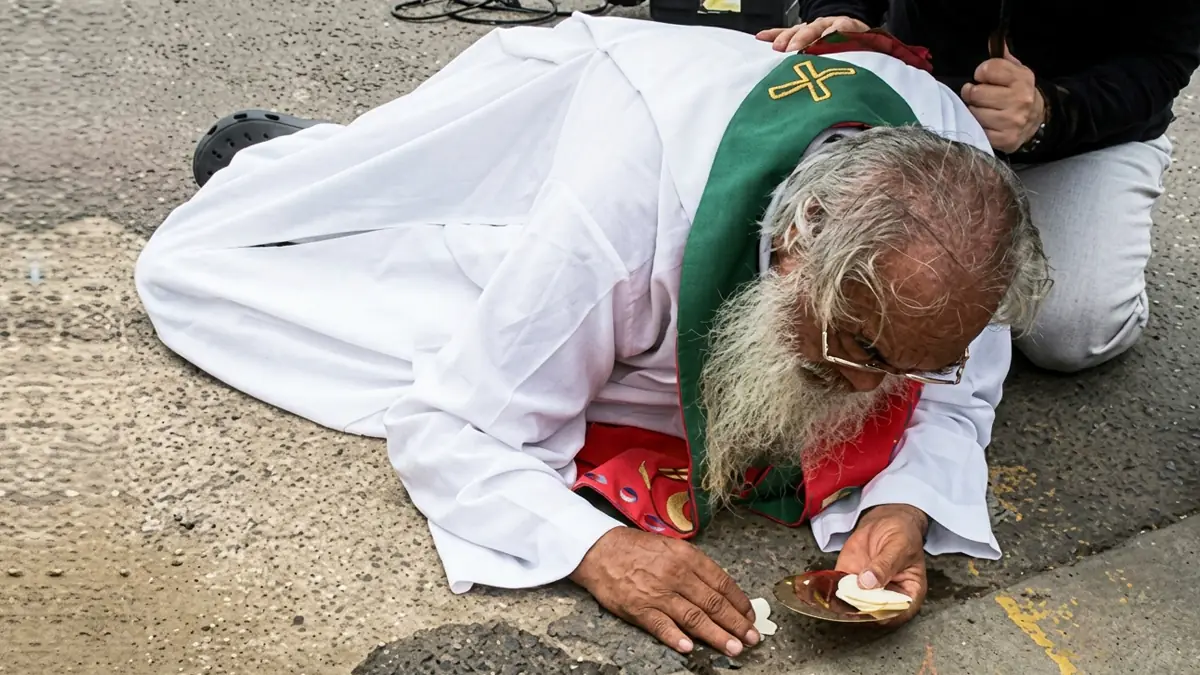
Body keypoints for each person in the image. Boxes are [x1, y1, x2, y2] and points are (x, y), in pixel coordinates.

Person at [135, 15, 1049, 659]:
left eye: (908, 359)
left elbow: (960, 387)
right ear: (795, 244)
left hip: (677, 121)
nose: (871, 388)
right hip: (556, 129)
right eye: (860, 347)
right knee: (233, 271)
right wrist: (595, 550)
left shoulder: (960, 219)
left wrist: (905, 507)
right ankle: (321, 162)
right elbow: (456, 426)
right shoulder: (619, 214)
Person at [759, 1, 1200, 373]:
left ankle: (1102, 241)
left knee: (1073, 335)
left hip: (1084, 132)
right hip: (929, 100)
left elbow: (1164, 57)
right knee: (843, 282)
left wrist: (1052, 113)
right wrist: (842, 13)